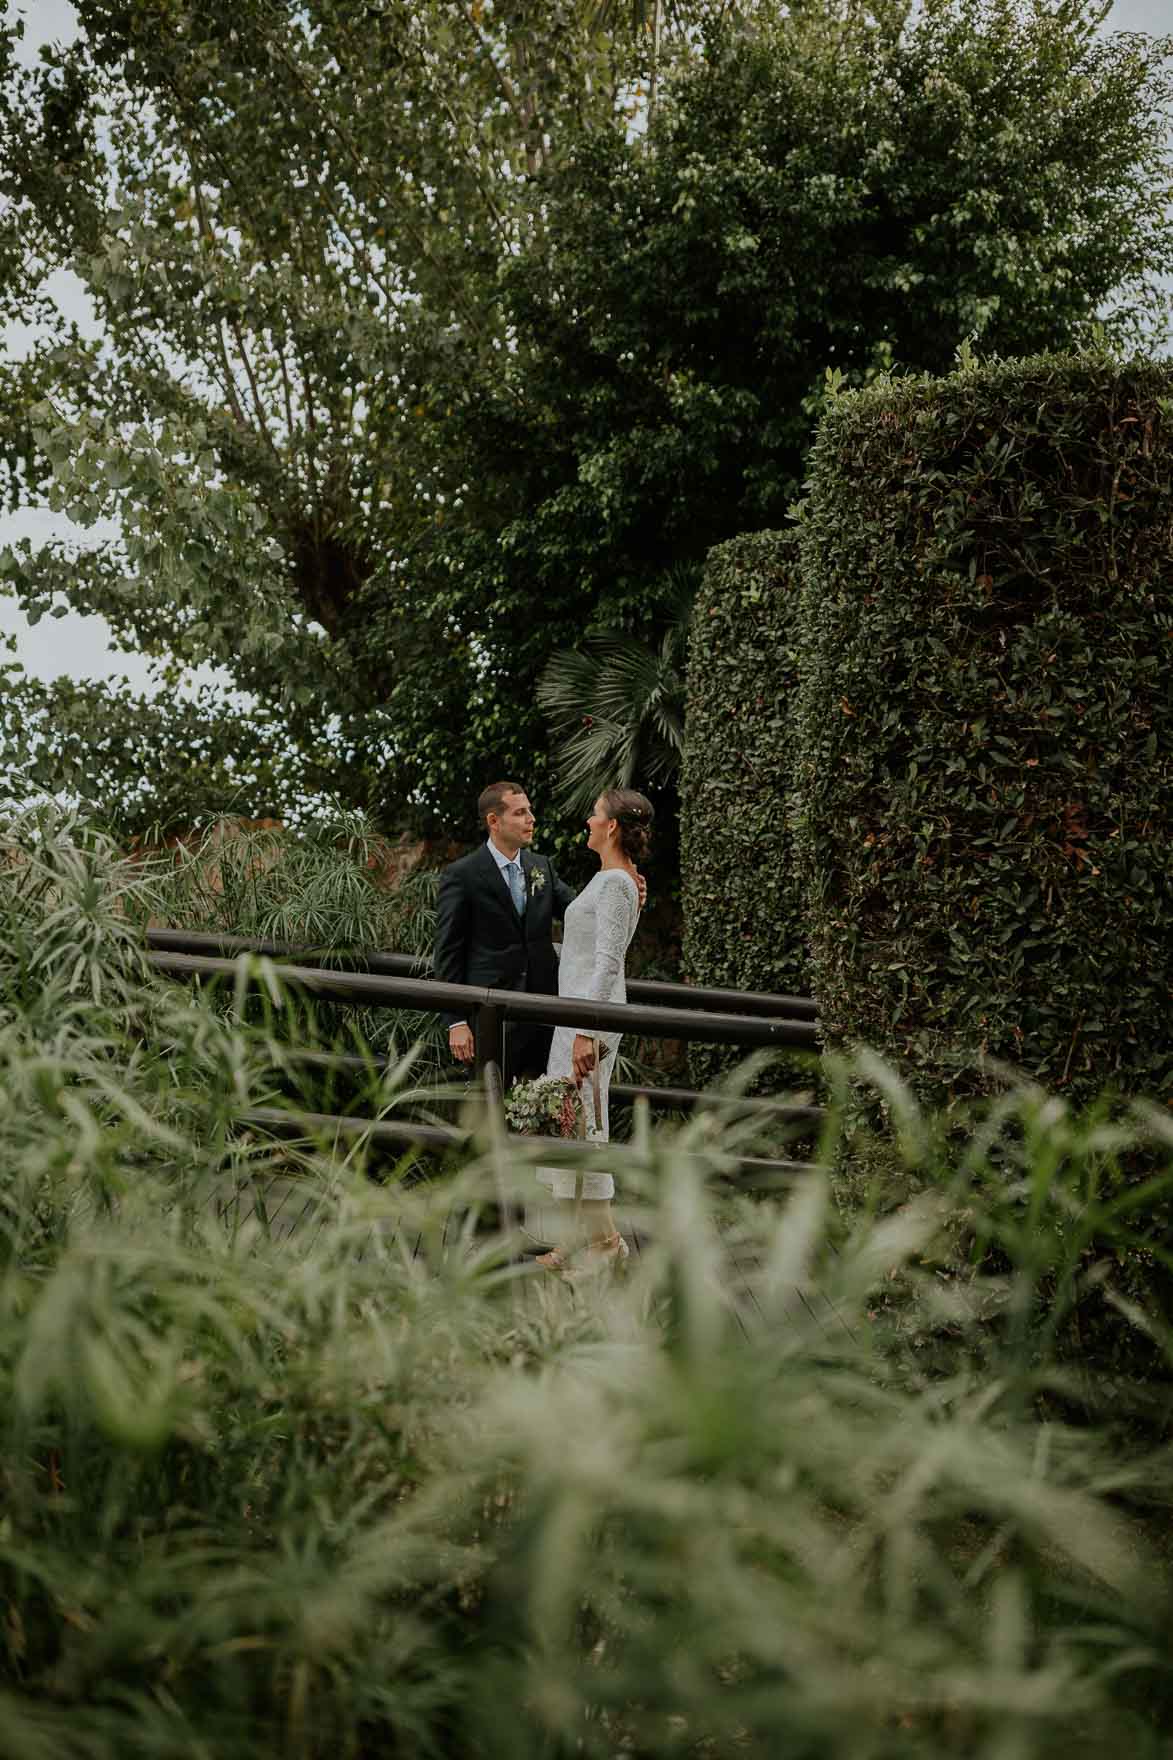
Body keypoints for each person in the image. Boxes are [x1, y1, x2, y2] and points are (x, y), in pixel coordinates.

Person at [432, 782, 646, 1082]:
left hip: (546, 1016)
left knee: (545, 1111)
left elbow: (581, 913)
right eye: (520, 813)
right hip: (492, 1017)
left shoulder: (541, 867)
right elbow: (447, 954)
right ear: (494, 821)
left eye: (530, 811)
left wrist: (625, 893)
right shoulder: (462, 875)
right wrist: (455, 1021)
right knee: (490, 1107)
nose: (531, 818)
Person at [534, 788, 653, 1278]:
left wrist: (587, 1030)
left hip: (591, 1018)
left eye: (596, 814)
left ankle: (605, 1241)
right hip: (576, 1014)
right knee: (569, 1122)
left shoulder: (617, 885)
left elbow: (607, 964)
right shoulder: (614, 880)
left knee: (586, 1124)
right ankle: (571, 1240)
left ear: (613, 828)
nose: (588, 818)